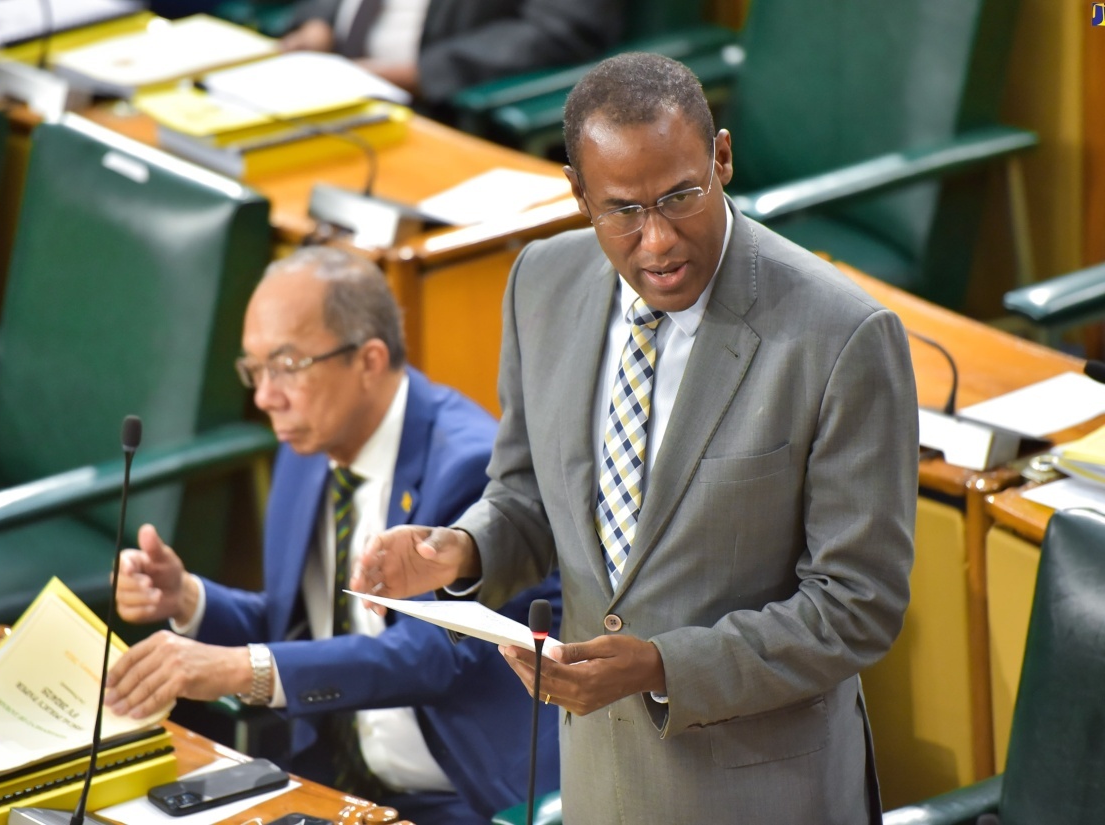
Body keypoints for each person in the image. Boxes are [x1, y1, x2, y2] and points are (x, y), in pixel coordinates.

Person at [352, 52, 919, 824]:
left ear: (721, 157)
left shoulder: (840, 336)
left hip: (764, 793)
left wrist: (660, 664)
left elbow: (858, 604)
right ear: (578, 194)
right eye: (623, 210)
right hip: (599, 783)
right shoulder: (541, 284)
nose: (657, 242)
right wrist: (463, 549)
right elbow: (527, 494)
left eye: (681, 196)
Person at [103, 246, 562, 825]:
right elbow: (301, 625)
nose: (265, 397)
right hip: (331, 779)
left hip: (461, 799)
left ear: (369, 360)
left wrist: (242, 669)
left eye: (286, 365)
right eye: (255, 369)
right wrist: (189, 600)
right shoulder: (309, 444)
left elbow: (428, 658)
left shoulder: (471, 466)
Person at [279, 0, 624, 111]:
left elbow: (565, 25)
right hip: (315, 82)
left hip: (431, 108)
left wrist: (421, 75)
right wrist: (319, 22)